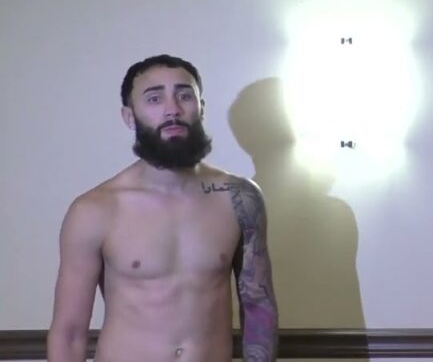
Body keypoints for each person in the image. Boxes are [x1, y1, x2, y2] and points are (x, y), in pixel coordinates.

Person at [47, 54, 278, 362]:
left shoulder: (239, 198)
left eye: (184, 95)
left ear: (201, 108)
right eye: (154, 98)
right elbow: (69, 332)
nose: (173, 109)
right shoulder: (94, 210)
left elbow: (258, 305)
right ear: (130, 116)